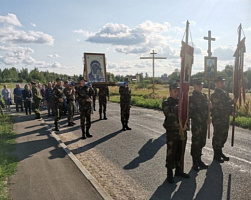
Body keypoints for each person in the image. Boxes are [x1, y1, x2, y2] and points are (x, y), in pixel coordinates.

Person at [162, 82, 190, 183]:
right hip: (172, 131)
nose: (177, 92)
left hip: (181, 130)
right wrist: (180, 106)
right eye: (175, 91)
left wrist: (186, 126)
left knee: (180, 151)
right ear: (170, 91)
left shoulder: (181, 102)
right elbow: (169, 112)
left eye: (178, 90)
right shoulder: (166, 102)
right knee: (171, 152)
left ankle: (179, 170)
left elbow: (186, 115)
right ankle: (169, 173)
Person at [210, 76, 237, 163]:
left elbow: (229, 105)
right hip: (218, 119)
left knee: (224, 136)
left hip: (225, 118)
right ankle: (216, 154)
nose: (222, 83)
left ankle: (220, 151)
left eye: (223, 82)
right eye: (221, 82)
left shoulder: (225, 93)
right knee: (218, 136)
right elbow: (221, 106)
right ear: (216, 83)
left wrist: (232, 111)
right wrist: (232, 102)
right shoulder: (214, 95)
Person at [189, 78, 210, 171]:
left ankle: (199, 160)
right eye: (199, 85)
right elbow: (192, 112)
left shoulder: (204, 96)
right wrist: (202, 119)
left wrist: (210, 108)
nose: (201, 86)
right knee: (196, 142)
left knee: (202, 142)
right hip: (197, 124)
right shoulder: (191, 98)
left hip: (204, 123)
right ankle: (194, 162)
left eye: (201, 85)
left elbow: (207, 109)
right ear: (194, 85)